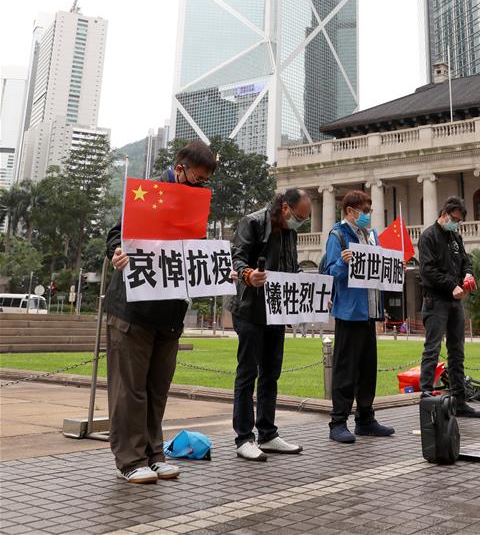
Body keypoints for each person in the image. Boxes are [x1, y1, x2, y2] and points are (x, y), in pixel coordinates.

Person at [105, 139, 217, 484]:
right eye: (196, 178)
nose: (200, 185)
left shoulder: (196, 201)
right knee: (130, 389)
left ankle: (154, 453)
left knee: (157, 387)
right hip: (133, 310)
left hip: (170, 311)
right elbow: (114, 235)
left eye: (204, 181)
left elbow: (194, 251)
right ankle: (130, 459)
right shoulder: (148, 192)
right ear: (180, 167)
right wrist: (118, 252)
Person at [229, 187, 312, 461]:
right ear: (285, 208)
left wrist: (312, 289)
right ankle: (244, 437)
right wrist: (247, 274)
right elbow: (236, 257)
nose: (301, 221)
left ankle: (267, 433)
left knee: (271, 373)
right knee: (247, 373)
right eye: (299, 216)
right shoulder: (253, 222)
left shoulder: (290, 232)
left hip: (277, 311)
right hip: (250, 309)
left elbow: (293, 269)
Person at [324, 189, 396, 444]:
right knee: (345, 369)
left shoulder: (371, 235)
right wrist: (344, 262)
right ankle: (338, 421)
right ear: (350, 211)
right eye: (364, 211)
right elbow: (330, 272)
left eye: (369, 211)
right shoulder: (338, 235)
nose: (367, 215)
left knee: (367, 368)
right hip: (348, 311)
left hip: (370, 309)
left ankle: (365, 418)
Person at [419, 195, 480, 419]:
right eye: (454, 219)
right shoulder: (428, 237)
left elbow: (466, 261)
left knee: (457, 352)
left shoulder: (455, 237)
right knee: (432, 350)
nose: (456, 223)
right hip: (435, 300)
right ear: (444, 214)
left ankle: (459, 400)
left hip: (455, 300)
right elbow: (428, 270)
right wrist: (450, 285)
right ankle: (427, 398)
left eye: (459, 221)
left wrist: (467, 274)